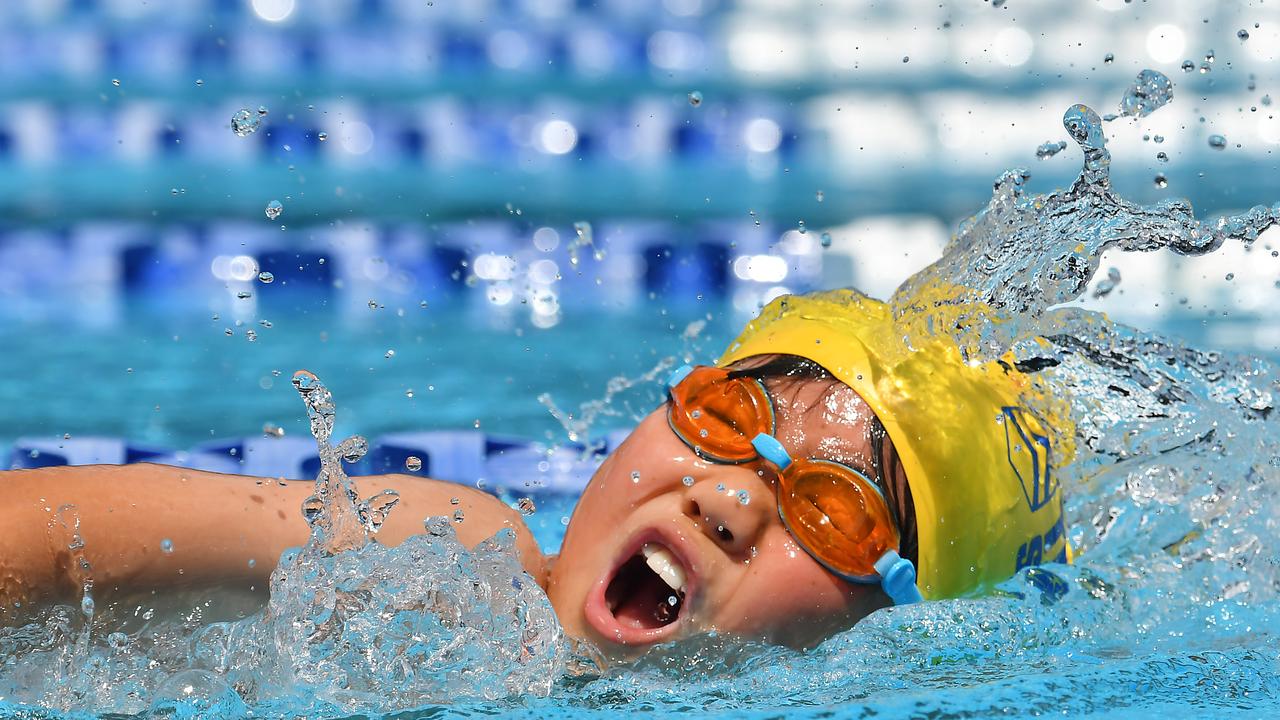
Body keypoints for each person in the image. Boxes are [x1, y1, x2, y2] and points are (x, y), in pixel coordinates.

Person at [0, 289, 1071, 660]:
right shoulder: (436, 560)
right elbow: (51, 534)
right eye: (726, 418)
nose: (733, 497)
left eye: (831, 513)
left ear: (901, 619)